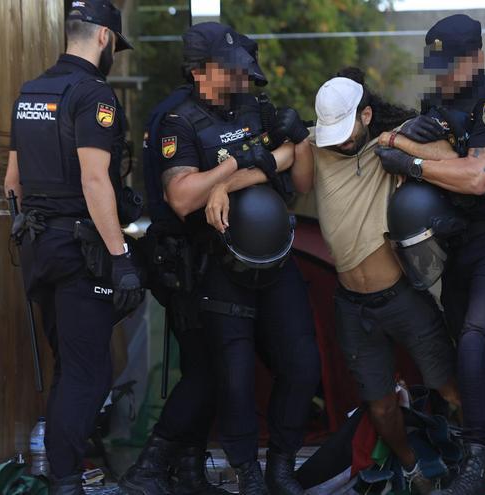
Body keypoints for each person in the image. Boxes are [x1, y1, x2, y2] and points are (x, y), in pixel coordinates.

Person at [124, 22, 321, 495]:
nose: (238, 75)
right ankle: (245, 474)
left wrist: (238, 177)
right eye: (227, 68)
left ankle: (280, 467)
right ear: (199, 72)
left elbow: (295, 163)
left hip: (274, 259)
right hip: (215, 265)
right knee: (228, 376)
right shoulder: (179, 120)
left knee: (302, 365)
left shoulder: (253, 106)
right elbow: (184, 198)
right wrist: (241, 162)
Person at [373, 14, 485, 495]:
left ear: (478, 58)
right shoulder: (440, 104)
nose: (445, 76)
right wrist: (413, 149)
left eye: (454, 65)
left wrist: (410, 159)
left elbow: (475, 177)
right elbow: (441, 158)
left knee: (476, 346)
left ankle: (476, 459)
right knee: (476, 365)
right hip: (459, 243)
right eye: (439, 66)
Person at [290, 69, 459, 494]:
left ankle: (477, 458)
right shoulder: (315, 143)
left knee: (449, 385)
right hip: (351, 303)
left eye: (349, 131)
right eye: (335, 135)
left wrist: (399, 148)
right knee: (381, 407)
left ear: (366, 114)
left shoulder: (392, 136)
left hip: (403, 295)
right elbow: (291, 176)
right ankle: (414, 467)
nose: (343, 142)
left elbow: (449, 156)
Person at [3, 1, 143, 494]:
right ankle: (65, 480)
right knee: (91, 372)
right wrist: (121, 258)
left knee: (70, 365)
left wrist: (30, 233)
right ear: (104, 37)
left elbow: (12, 182)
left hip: (41, 249)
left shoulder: (30, 92)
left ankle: (63, 471)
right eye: (114, 46)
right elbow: (94, 180)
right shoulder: (93, 95)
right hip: (81, 251)